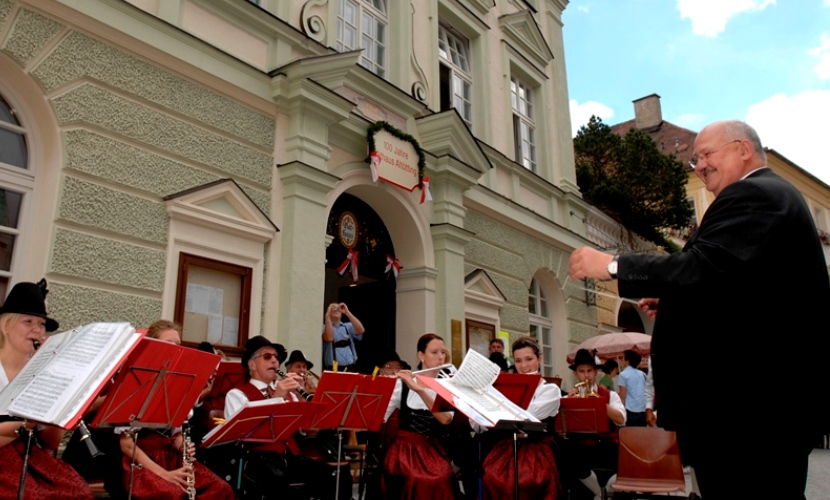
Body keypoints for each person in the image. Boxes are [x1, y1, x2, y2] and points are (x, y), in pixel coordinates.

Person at [569, 120, 830, 499]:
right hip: (757, 414)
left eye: (707, 154)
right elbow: (735, 287)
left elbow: (703, 267)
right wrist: (676, 300)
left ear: (744, 149)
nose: (701, 165)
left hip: (747, 417)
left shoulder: (754, 194)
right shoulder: (768, 196)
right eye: (695, 160)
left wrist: (613, 265)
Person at [116, 320, 233, 499]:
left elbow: (176, 434)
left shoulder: (179, 384)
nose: (176, 349)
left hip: (171, 456)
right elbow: (126, 444)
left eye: (178, 345)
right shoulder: (138, 381)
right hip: (142, 461)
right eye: (169, 344)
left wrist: (183, 447)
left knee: (220, 488)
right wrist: (164, 474)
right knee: (174, 494)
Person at [0, 281, 93, 499]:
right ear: (5, 326)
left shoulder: (37, 374)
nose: (37, 329)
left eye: (41, 324)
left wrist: (59, 402)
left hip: (30, 457)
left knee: (77, 491)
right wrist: (29, 421)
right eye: (28, 321)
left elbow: (50, 443)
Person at [480, 336, 562, 499]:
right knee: (492, 477)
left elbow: (527, 415)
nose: (524, 366)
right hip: (507, 448)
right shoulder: (506, 388)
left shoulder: (550, 390)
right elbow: (485, 422)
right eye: (518, 361)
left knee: (529, 482)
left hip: (537, 450)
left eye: (529, 359)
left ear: (539, 359)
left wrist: (499, 407)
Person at [382, 333, 458, 499]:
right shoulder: (401, 383)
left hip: (432, 448)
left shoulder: (448, 386)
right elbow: (381, 416)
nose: (440, 357)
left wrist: (419, 389)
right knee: (412, 477)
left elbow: (445, 419)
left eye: (443, 353)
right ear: (421, 355)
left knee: (441, 476)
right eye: (435, 352)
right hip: (404, 449)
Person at [562, 349, 625, 500]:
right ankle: (599, 494)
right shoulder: (570, 396)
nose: (586, 376)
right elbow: (562, 427)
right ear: (575, 374)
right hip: (581, 447)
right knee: (567, 452)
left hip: (606, 445)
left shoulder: (610, 395)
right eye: (582, 371)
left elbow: (621, 419)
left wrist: (598, 401)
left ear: (596, 372)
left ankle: (603, 492)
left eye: (589, 371)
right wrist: (567, 403)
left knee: (615, 453)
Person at [322, 302, 365, 371]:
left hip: (351, 367)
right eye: (333, 309)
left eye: (338, 309)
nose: (336, 310)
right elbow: (329, 338)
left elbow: (361, 330)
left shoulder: (348, 326)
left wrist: (347, 312)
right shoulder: (324, 328)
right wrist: (327, 316)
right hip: (334, 369)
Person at [617, 350, 646, 427]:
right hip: (643, 410)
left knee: (631, 435)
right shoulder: (642, 374)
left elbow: (623, 395)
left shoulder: (623, 375)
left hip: (630, 411)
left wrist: (619, 409)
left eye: (623, 359)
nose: (622, 361)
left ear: (627, 361)